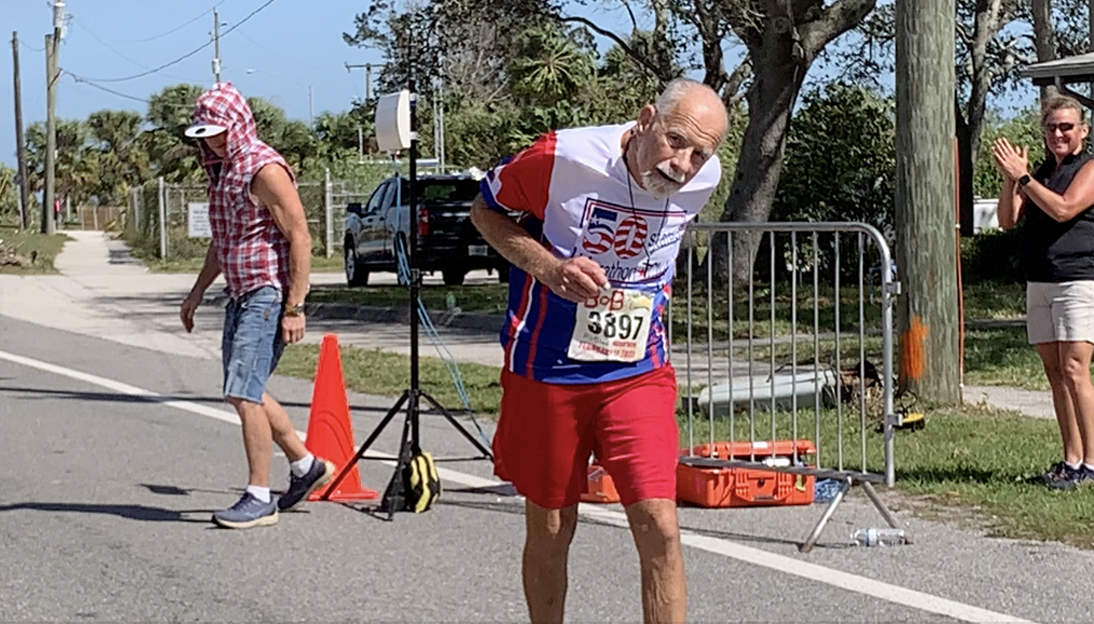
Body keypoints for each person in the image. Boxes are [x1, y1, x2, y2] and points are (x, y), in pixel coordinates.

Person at [470, 78, 728, 623]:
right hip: (549, 369)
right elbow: (484, 213)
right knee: (552, 526)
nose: (683, 164)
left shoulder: (705, 179)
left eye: (699, 153)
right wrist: (550, 268)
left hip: (637, 370)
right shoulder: (561, 157)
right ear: (645, 119)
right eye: (675, 141)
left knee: (659, 523)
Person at [179, 82, 334, 528]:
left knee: (245, 394)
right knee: (243, 389)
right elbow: (221, 242)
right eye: (204, 133)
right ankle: (306, 466)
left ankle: (258, 495)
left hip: (267, 292)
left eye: (217, 132)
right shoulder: (222, 170)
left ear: (237, 125)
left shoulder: (263, 168)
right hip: (238, 292)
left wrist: (295, 306)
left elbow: (300, 235)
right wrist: (196, 293)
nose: (210, 141)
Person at [993, 94, 1094, 490]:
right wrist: (1009, 179)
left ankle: (1092, 461)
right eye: (1051, 128)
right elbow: (1005, 220)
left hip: (1078, 280)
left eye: (1067, 127)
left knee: (1075, 370)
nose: (1058, 134)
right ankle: (1072, 460)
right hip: (1040, 280)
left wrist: (1023, 178)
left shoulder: (1088, 168)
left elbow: (1065, 209)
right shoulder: (1036, 173)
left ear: (1082, 131)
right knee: (1055, 375)